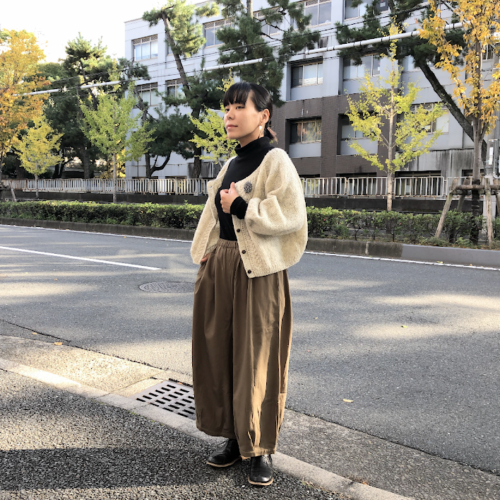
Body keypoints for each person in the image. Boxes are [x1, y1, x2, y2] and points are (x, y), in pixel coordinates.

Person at [190, 81, 308, 487]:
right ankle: (232, 436)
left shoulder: (275, 160)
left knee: (258, 359)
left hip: (258, 273)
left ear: (264, 115)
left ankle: (260, 448)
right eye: (227, 107)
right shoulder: (230, 164)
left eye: (240, 107)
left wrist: (242, 206)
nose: (229, 115)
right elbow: (213, 214)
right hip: (221, 266)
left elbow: (291, 213)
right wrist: (206, 252)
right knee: (219, 354)